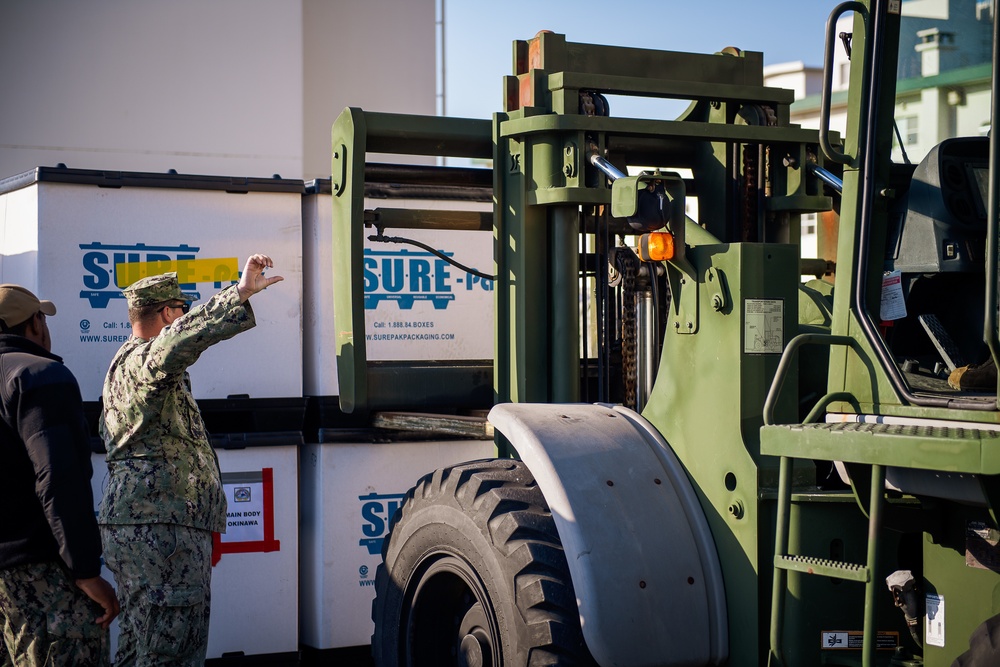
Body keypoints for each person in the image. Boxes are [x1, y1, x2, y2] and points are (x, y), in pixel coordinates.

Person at [98, 254, 283, 666]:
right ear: (167, 314)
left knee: (141, 649)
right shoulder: (145, 361)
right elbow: (179, 340)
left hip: (155, 526)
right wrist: (239, 293)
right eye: (180, 309)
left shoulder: (124, 366)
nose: (183, 315)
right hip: (161, 532)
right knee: (170, 653)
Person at [0, 284, 119, 665]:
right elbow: (59, 479)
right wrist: (85, 571)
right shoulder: (40, 375)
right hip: (41, 573)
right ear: (34, 323)